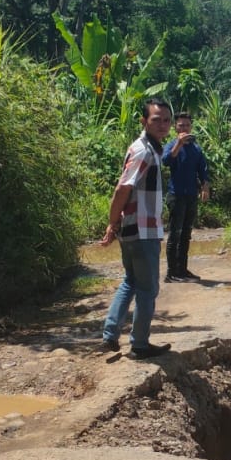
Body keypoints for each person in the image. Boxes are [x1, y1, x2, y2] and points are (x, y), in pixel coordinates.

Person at [97, 98, 173, 359]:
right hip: (143, 230)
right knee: (148, 288)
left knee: (130, 281)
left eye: (166, 120)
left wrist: (116, 223)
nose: (162, 125)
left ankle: (110, 336)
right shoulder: (144, 151)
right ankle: (139, 344)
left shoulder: (149, 148)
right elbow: (122, 188)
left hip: (132, 229)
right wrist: (111, 220)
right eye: (156, 120)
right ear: (144, 121)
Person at [161, 111, 210, 282]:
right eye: (181, 125)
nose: (184, 128)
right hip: (176, 195)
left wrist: (205, 185)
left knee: (186, 234)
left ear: (191, 127)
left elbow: (202, 168)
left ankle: (182, 270)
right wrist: (179, 145)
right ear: (175, 127)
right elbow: (166, 160)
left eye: (187, 125)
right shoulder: (171, 144)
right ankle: (170, 273)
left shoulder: (196, 148)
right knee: (175, 234)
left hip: (191, 196)